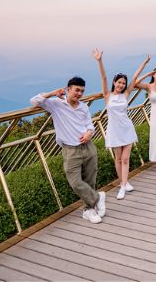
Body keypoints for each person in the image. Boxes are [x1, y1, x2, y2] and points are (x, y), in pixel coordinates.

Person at [30, 77, 106, 224]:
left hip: (88, 147)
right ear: (68, 89)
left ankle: (88, 211)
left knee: (90, 181)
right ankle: (98, 197)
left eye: (82, 91)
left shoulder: (83, 107)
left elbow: (90, 125)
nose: (79, 93)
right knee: (76, 182)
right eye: (77, 90)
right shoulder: (56, 104)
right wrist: (53, 93)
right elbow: (34, 101)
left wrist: (90, 132)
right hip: (70, 150)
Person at [94, 49, 148, 199]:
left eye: (123, 83)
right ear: (114, 83)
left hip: (127, 128)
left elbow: (135, 77)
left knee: (125, 159)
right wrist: (99, 60)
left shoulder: (126, 94)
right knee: (118, 159)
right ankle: (123, 182)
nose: (122, 85)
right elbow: (103, 77)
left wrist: (145, 63)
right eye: (119, 82)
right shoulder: (107, 96)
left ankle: (123, 186)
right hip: (114, 130)